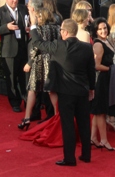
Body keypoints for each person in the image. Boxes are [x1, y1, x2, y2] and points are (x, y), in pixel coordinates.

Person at [32, 19, 96, 166]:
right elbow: (91, 71)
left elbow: (38, 43)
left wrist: (34, 27)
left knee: (68, 126)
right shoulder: (87, 47)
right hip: (82, 92)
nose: (60, 32)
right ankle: (86, 155)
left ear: (65, 32)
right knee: (84, 124)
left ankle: (70, 158)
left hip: (66, 94)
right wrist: (91, 89)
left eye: (61, 30)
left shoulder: (58, 46)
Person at [21, 3, 60, 130]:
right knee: (51, 90)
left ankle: (26, 118)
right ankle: (57, 116)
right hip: (53, 60)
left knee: (32, 89)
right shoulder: (57, 28)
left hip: (39, 60)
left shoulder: (38, 29)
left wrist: (29, 62)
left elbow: (36, 46)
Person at [0, 0, 29, 112]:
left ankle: (27, 100)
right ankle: (15, 102)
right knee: (12, 78)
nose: (15, 0)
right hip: (9, 49)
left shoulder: (23, 9)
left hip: (23, 48)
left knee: (24, 77)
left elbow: (26, 24)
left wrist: (27, 29)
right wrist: (6, 27)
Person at [89, 18, 115, 151]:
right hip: (101, 80)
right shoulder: (98, 44)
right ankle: (104, 140)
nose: (103, 30)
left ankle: (93, 137)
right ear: (95, 31)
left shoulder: (107, 40)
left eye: (105, 28)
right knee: (101, 112)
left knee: (97, 111)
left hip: (107, 78)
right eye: (100, 29)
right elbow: (97, 65)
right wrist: (111, 69)